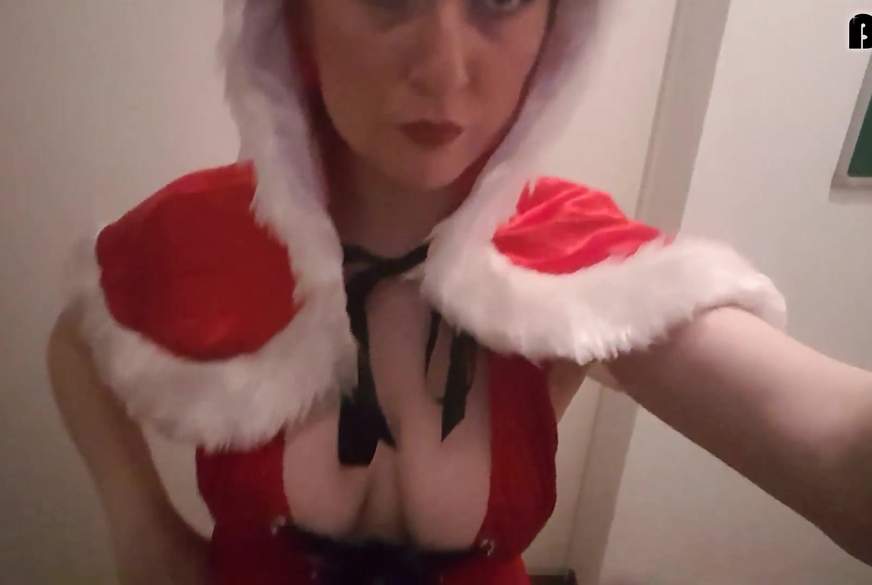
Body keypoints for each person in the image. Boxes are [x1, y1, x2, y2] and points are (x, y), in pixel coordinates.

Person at [47, 0, 872, 583]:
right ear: (294, 19)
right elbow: (78, 339)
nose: (445, 70)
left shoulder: (582, 264)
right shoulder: (205, 230)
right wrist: (140, 526)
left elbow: (836, 444)